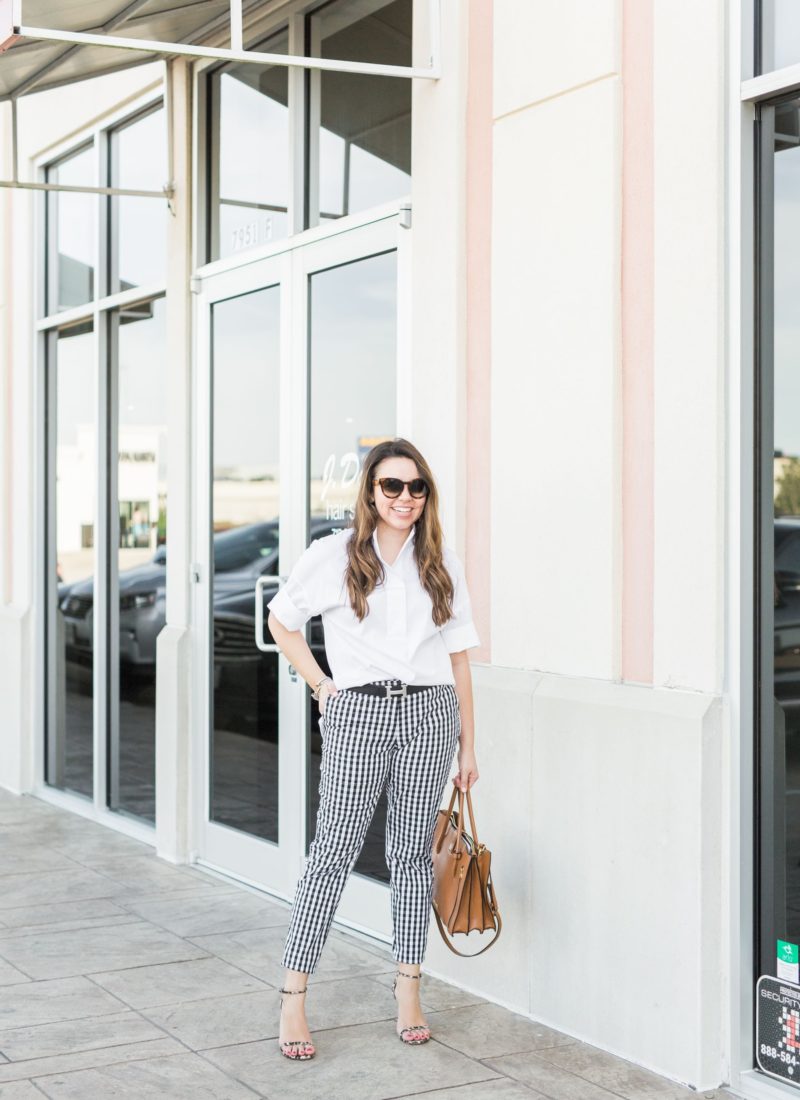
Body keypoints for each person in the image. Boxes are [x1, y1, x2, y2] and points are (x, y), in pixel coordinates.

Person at [266, 437, 480, 1060]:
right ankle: (293, 996)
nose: (405, 498)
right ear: (370, 491)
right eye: (392, 486)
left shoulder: (440, 562)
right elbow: (283, 619)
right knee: (333, 850)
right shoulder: (332, 555)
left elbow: (461, 657)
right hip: (358, 713)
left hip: (430, 714)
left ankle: (409, 988)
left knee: (412, 855)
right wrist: (323, 688)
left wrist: (469, 745)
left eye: (417, 488)